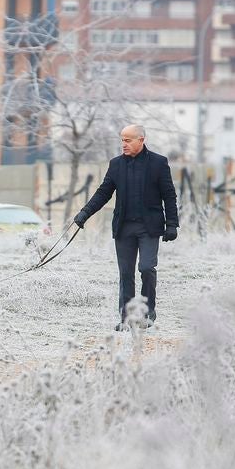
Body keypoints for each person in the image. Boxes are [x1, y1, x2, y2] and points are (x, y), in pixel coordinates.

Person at [73, 124, 179, 331]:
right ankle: (127, 319)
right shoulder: (116, 165)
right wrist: (84, 213)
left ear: (141, 140)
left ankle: (147, 313)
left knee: (147, 268)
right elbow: (103, 193)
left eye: (128, 140)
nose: (124, 144)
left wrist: (172, 224)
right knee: (126, 274)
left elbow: (169, 195)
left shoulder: (159, 163)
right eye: (122, 140)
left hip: (150, 228)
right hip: (124, 228)